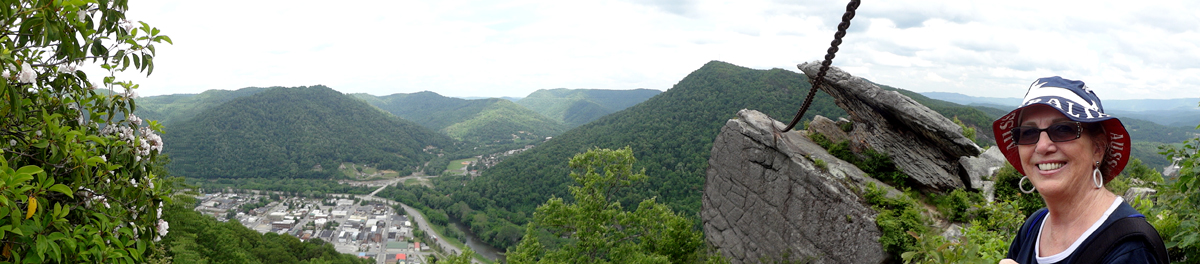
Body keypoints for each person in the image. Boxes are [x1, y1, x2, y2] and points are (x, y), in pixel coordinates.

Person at [991, 77, 1167, 264]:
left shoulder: (1131, 249)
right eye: (1028, 133)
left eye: (1063, 129)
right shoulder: (1034, 226)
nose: (1042, 146)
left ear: (1097, 148)